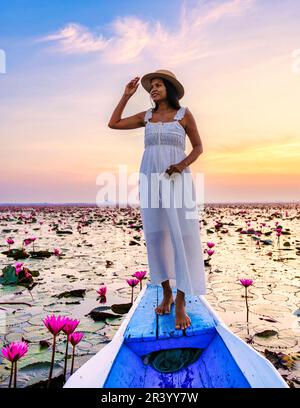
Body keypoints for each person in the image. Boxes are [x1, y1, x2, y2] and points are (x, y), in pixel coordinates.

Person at [108, 69, 207, 330]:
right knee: (155, 235)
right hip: (150, 179)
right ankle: (166, 292)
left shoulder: (184, 115)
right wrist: (126, 96)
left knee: (183, 236)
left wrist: (181, 164)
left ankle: (182, 300)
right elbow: (114, 123)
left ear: (170, 88)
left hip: (178, 180)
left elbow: (198, 147)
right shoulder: (147, 117)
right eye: (150, 86)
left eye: (158, 84)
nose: (153, 89)